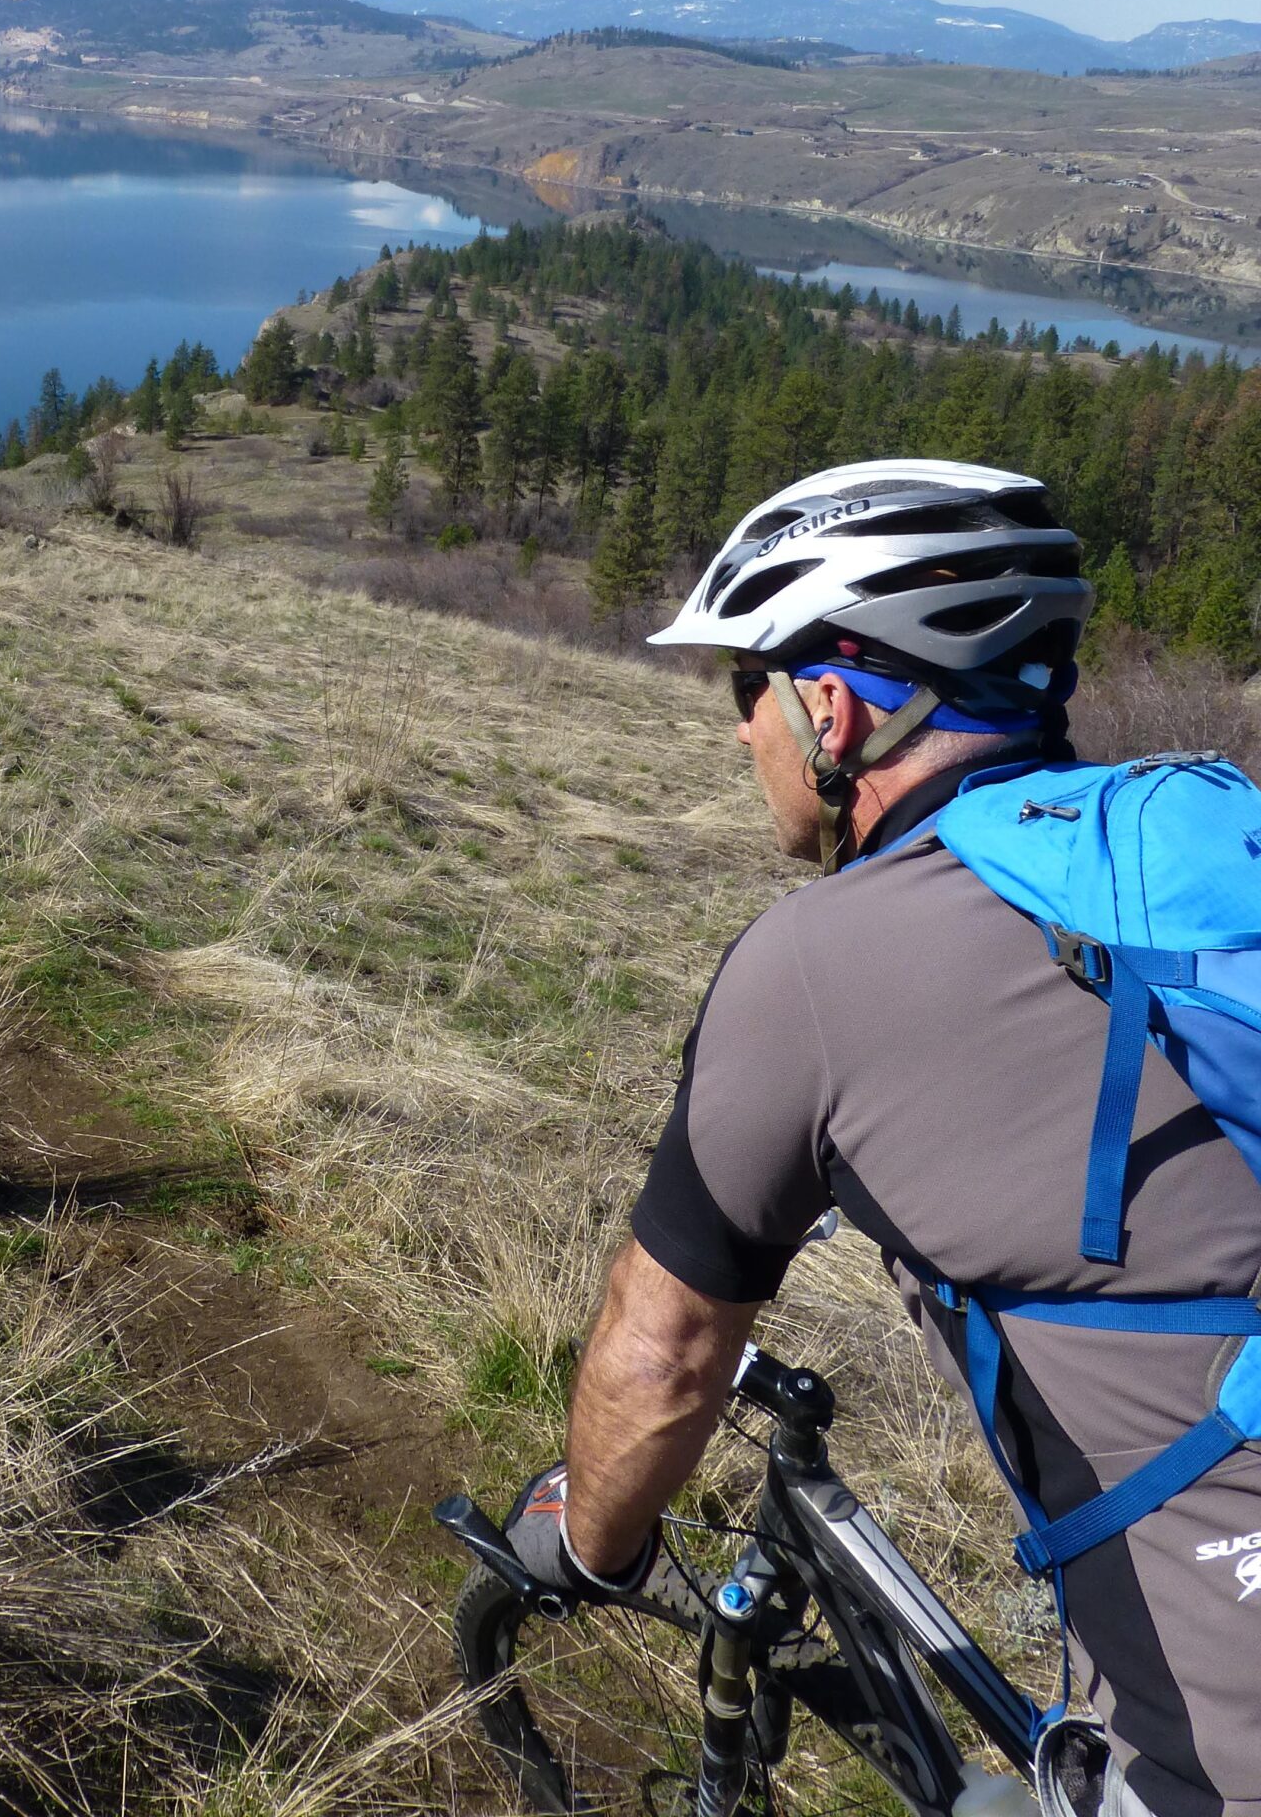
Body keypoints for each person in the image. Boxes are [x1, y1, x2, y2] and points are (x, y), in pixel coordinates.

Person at [504, 460, 1261, 1817]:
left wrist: (590, 1544)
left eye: (753, 688)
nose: (744, 733)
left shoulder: (819, 967)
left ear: (834, 706)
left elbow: (666, 1355)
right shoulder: (1216, 848)